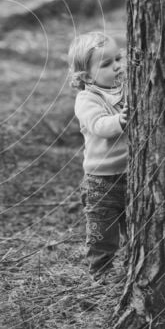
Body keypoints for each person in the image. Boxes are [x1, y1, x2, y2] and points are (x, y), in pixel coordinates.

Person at [67, 32, 129, 282]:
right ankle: (101, 273)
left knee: (136, 226)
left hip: (130, 174)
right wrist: (121, 120)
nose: (116, 66)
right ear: (86, 77)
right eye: (106, 64)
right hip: (101, 182)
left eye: (118, 58)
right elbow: (99, 126)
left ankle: (134, 264)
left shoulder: (124, 89)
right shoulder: (87, 99)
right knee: (102, 233)